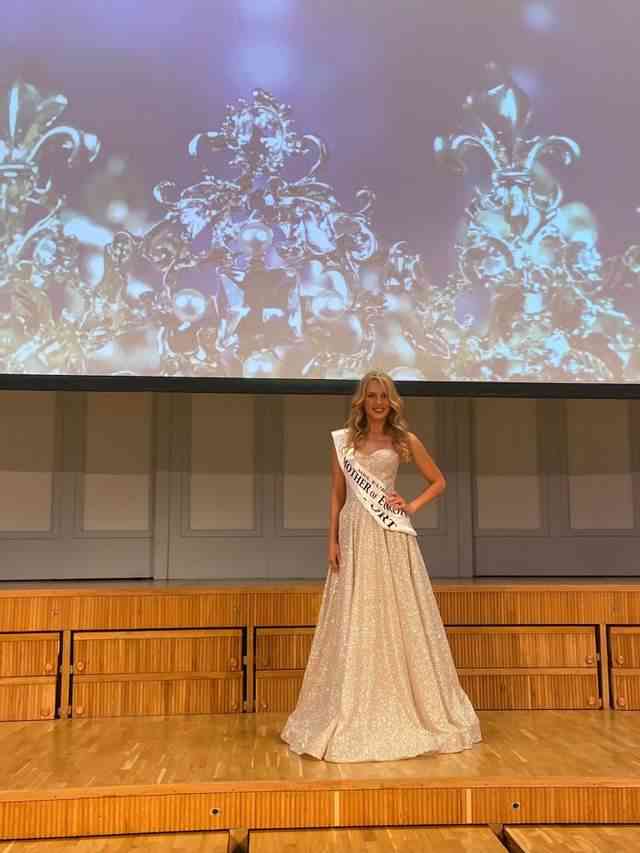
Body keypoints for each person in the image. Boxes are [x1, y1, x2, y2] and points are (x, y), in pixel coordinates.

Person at [280, 370, 482, 762]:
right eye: (371, 396)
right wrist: (331, 540)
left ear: (392, 402)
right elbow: (337, 495)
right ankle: (348, 704)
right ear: (362, 400)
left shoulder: (404, 440)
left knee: (396, 612)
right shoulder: (344, 442)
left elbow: (438, 481)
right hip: (355, 532)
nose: (377, 402)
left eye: (384, 396)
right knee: (355, 613)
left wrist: (412, 505)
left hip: (389, 534)